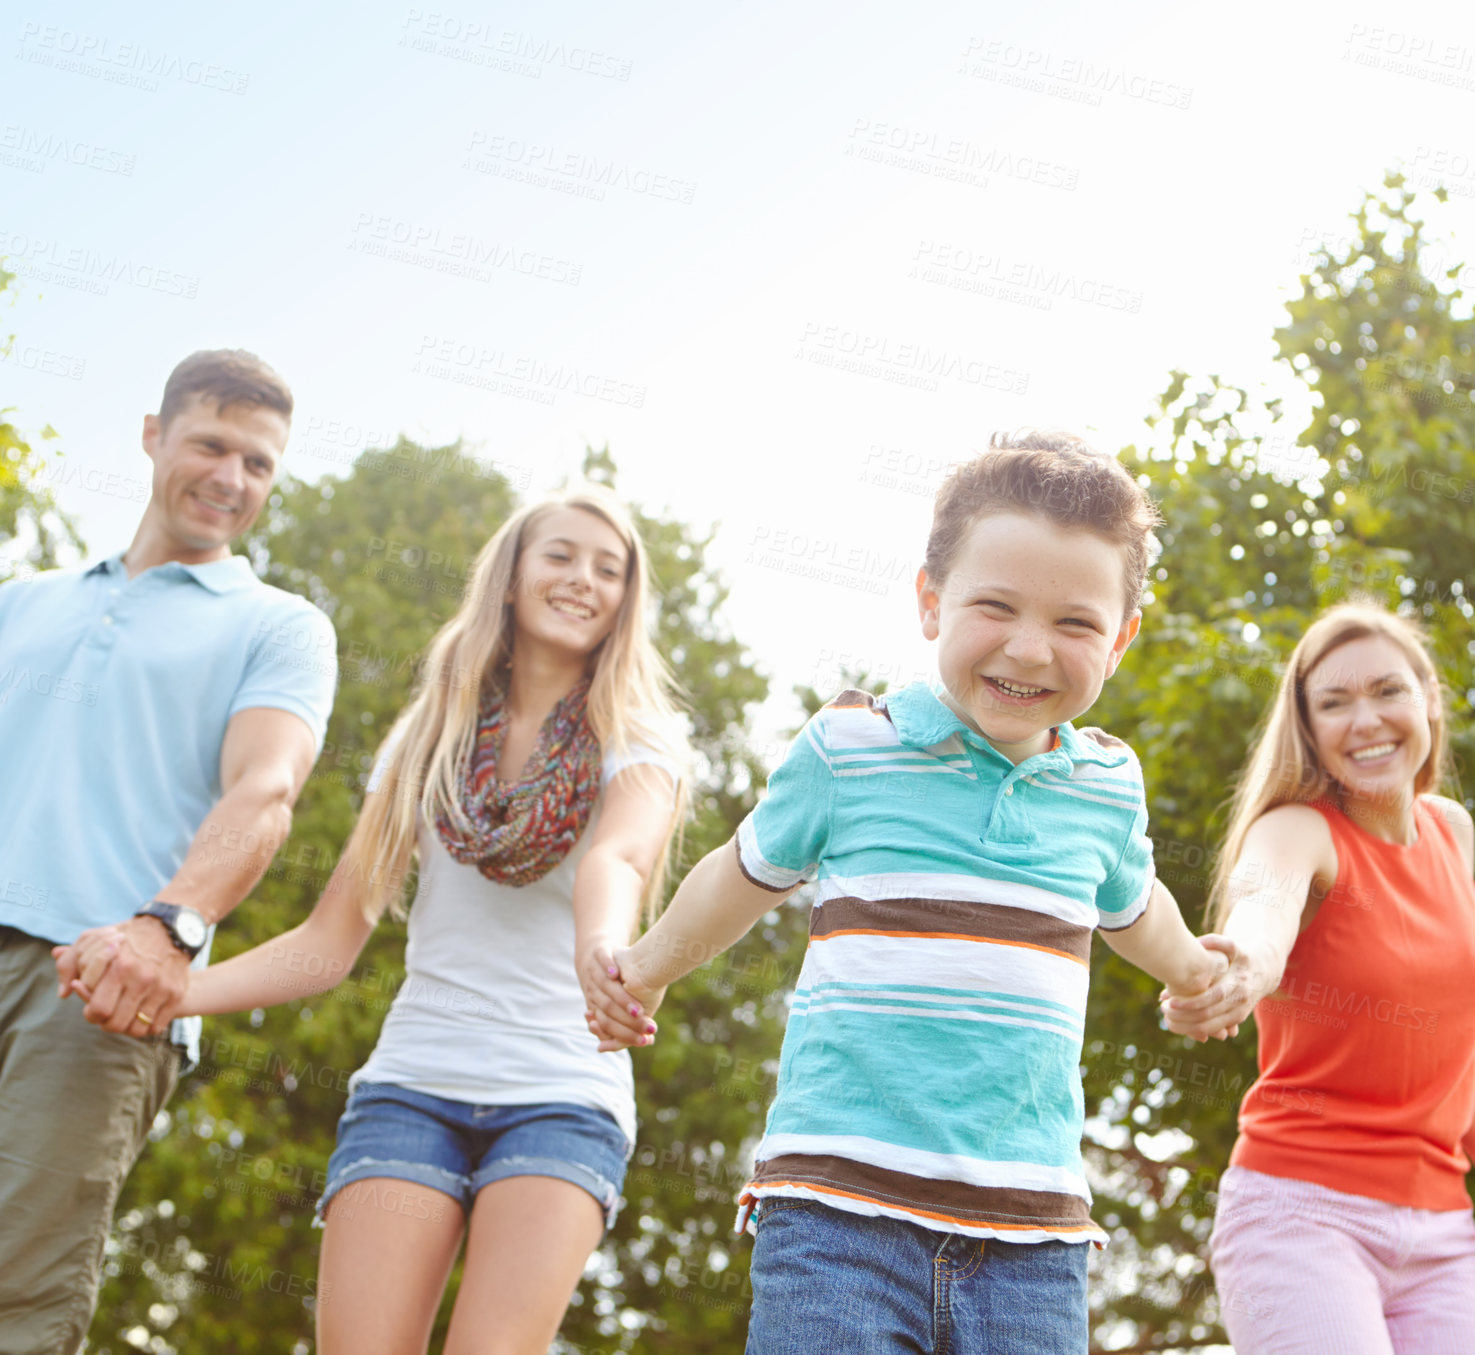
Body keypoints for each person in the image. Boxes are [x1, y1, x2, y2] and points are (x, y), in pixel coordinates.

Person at [586, 432, 1232, 1354]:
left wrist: (1194, 973)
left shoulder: (1104, 784)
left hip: (1032, 1238)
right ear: (930, 601)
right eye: (994, 605)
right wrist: (646, 969)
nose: (1027, 647)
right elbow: (740, 872)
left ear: (1122, 637)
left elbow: (1137, 904)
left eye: (1075, 623)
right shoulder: (852, 747)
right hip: (838, 1215)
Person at [71, 486, 688, 1355]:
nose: (582, 578)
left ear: (627, 600)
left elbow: (613, 859)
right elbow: (330, 942)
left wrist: (602, 951)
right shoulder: (425, 740)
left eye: (608, 567)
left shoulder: (641, 738)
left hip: (561, 1093)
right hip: (411, 1087)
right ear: (508, 578)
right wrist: (169, 993)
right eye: (559, 554)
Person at [1, 349, 337, 1355]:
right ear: (154, 435)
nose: (232, 478)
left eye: (259, 463)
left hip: (94, 986)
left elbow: (263, 788)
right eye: (211, 444)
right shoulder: (20, 603)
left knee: (13, 1296)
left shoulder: (278, 625)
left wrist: (168, 926)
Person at [1162, 601, 1475, 1353]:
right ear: (1307, 730)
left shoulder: (1455, 833)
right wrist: (1239, 968)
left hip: (1442, 1229)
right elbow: (1261, 909)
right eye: (1332, 703)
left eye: (1385, 691)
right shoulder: (1297, 829)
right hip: (1300, 1215)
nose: (1363, 719)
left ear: (1426, 696)